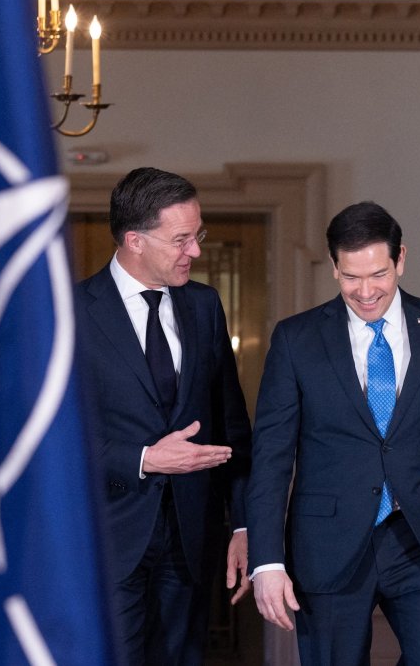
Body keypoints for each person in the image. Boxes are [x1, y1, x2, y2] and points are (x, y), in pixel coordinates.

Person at [246, 201, 420, 664]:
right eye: (350, 277)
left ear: (401, 259)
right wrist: (267, 560)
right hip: (328, 544)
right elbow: (271, 458)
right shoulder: (295, 339)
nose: (365, 291)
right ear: (335, 269)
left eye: (378, 274)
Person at [75, 167, 252, 665]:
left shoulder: (205, 305)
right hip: (107, 540)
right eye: (181, 239)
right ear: (135, 240)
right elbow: (53, 440)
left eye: (198, 236)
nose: (195, 251)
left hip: (192, 540)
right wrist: (145, 458)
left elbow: (231, 424)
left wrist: (242, 525)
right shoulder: (69, 313)